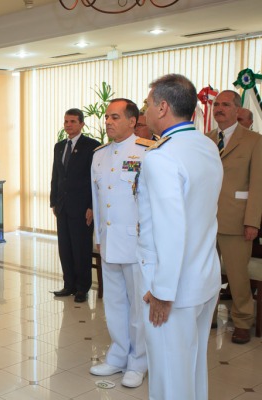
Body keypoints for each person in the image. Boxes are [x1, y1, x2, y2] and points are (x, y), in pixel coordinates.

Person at [137, 74, 222, 400]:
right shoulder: (206, 145)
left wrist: (162, 291)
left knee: (170, 377)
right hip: (205, 278)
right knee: (193, 368)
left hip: (174, 290)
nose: (145, 111)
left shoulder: (161, 157)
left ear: (162, 107)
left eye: (147, 104)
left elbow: (171, 230)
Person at [89, 99, 147, 388]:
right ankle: (117, 356)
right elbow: (99, 203)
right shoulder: (99, 155)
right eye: (107, 117)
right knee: (113, 303)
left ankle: (138, 362)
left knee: (138, 306)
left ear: (132, 121)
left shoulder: (148, 151)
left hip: (137, 244)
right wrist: (99, 238)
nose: (108, 121)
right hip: (110, 243)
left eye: (114, 117)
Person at [206, 90, 262, 345]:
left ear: (237, 110)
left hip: (236, 220)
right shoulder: (206, 140)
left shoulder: (253, 141)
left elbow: (258, 185)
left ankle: (242, 322)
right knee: (207, 274)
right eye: (216, 104)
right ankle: (209, 316)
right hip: (205, 221)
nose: (219, 108)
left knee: (238, 277)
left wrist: (253, 222)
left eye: (225, 104)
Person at [50, 108, 100, 303]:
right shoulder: (60, 146)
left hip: (82, 207)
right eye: (65, 121)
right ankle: (68, 284)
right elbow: (56, 175)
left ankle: (82, 288)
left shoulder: (92, 146)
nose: (68, 125)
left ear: (81, 124)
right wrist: (54, 201)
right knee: (65, 248)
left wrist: (91, 206)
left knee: (81, 249)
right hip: (62, 206)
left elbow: (94, 179)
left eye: (72, 121)